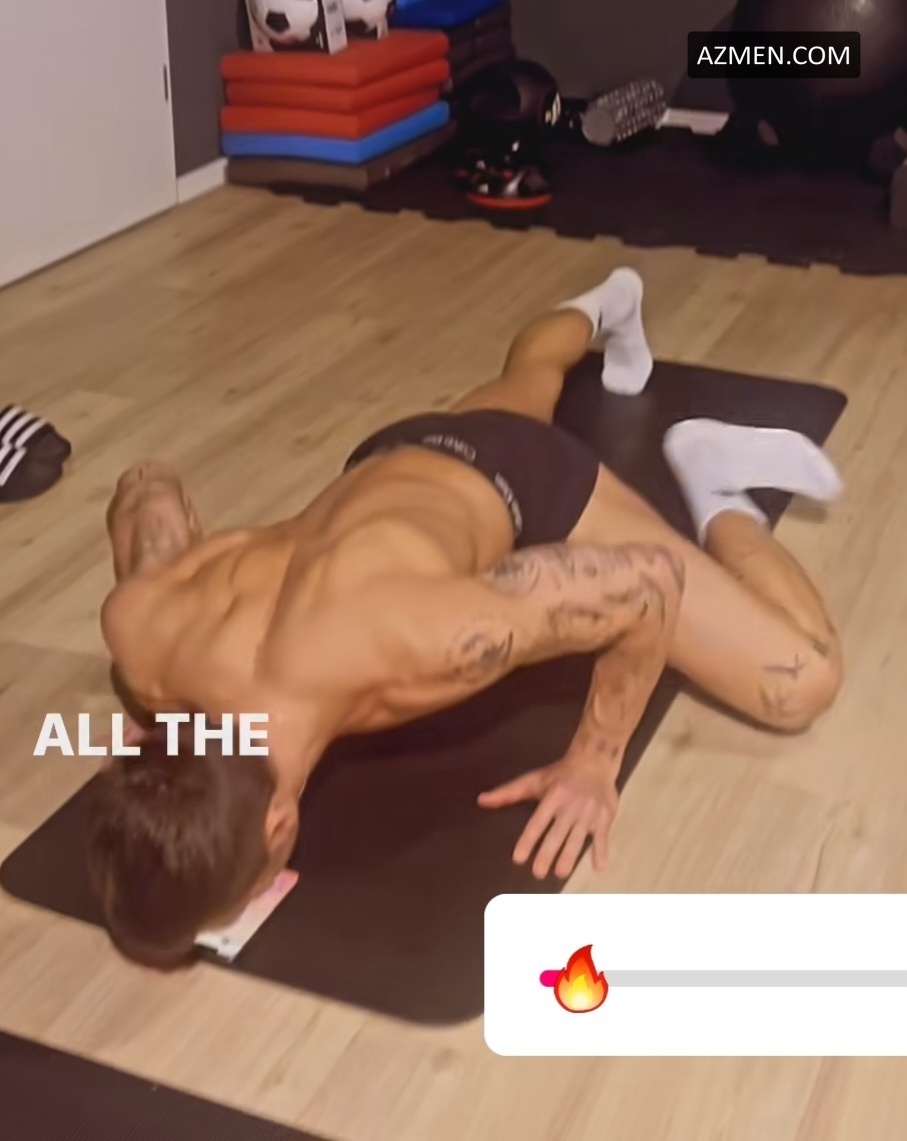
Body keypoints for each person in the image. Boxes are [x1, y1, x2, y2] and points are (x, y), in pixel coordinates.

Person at [90, 268, 844, 967]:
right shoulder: (142, 635)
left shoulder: (434, 643)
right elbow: (146, 487)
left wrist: (593, 761)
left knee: (801, 683)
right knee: (531, 372)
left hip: (518, 479)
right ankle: (610, 302)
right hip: (389, 467)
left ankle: (716, 481)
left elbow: (647, 584)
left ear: (279, 827)